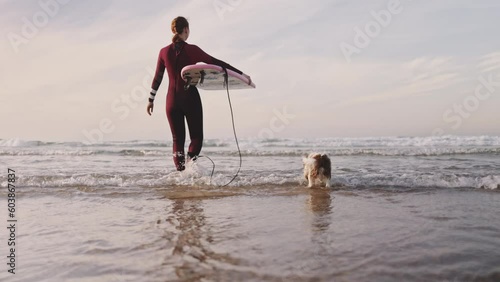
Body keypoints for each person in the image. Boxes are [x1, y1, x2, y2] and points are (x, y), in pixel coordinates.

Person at [147, 16, 251, 171]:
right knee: (196, 137)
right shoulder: (192, 50)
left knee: (177, 140)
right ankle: (190, 164)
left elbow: (158, 77)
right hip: (189, 97)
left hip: (171, 101)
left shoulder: (163, 52)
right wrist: (241, 74)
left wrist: (151, 99)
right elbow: (216, 62)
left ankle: (181, 174)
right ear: (186, 30)